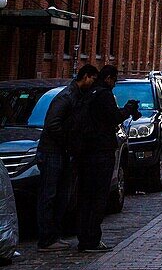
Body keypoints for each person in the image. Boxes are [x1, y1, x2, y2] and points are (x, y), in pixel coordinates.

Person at [75, 65, 138, 254]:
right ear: (109, 78)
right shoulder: (103, 94)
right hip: (101, 152)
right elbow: (113, 117)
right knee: (98, 197)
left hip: (86, 152)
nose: (115, 84)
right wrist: (127, 110)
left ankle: (84, 238)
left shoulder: (88, 94)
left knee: (86, 197)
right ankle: (92, 240)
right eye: (114, 80)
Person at [36, 63, 98, 251]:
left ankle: (53, 235)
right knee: (50, 195)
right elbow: (53, 125)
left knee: (60, 195)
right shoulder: (66, 96)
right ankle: (46, 238)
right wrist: (68, 142)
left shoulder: (77, 96)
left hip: (60, 152)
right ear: (86, 76)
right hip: (52, 152)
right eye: (93, 79)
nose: (93, 84)